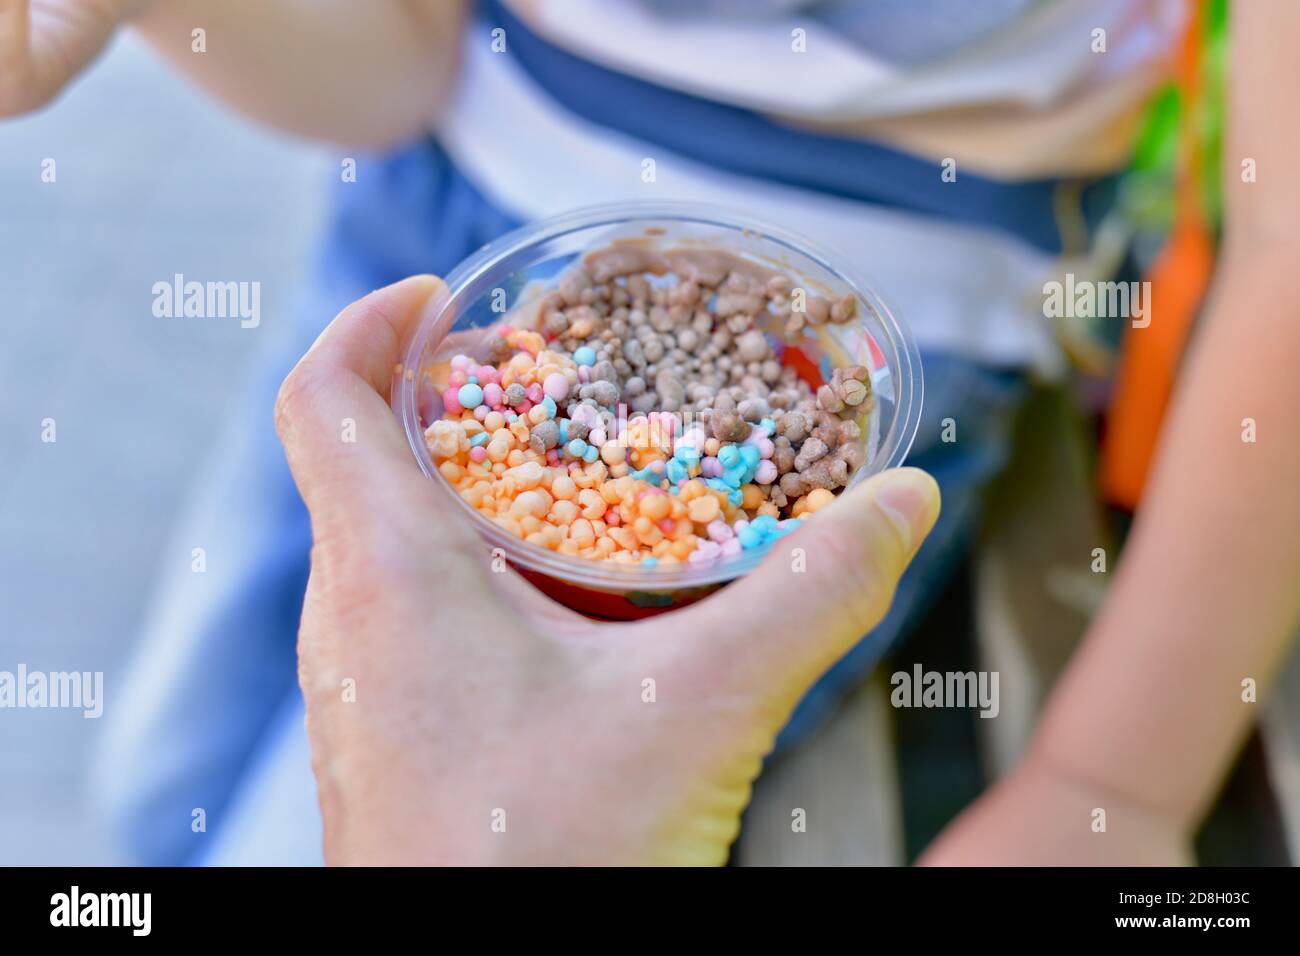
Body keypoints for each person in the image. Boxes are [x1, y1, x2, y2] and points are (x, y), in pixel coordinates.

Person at [5, 0, 1298, 864]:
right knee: (159, 785)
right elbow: (389, 81)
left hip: (837, 357)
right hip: (424, 251)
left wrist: (1113, 783)